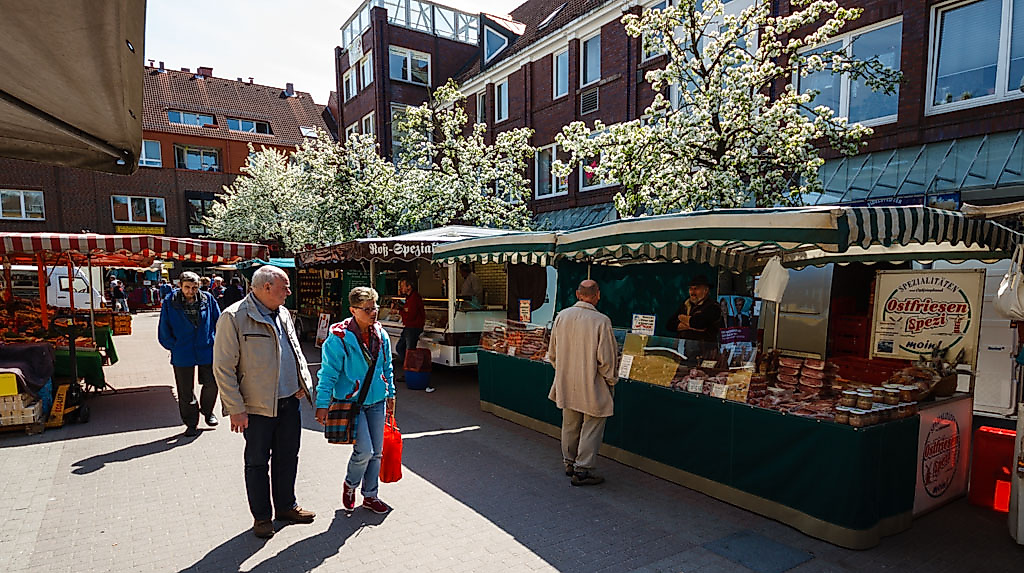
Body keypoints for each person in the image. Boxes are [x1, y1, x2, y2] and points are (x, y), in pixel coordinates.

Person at [213, 265, 315, 539]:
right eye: (285, 287)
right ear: (266, 287)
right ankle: (262, 517)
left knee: (287, 458)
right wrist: (235, 408)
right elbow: (223, 367)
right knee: (257, 463)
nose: (289, 292)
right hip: (256, 408)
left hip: (288, 402)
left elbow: (296, 351)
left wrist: (303, 384)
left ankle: (286, 507)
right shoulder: (234, 317)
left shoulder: (282, 313)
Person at [315, 287, 396, 514]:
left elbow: (387, 367)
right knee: (365, 451)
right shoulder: (338, 338)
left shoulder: (381, 334)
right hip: (352, 403)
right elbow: (328, 372)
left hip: (377, 400)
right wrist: (322, 404)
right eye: (367, 309)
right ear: (353, 310)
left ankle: (370, 496)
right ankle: (350, 484)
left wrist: (391, 393)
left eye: (375, 307)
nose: (374, 313)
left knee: (377, 452)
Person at [547, 279, 617, 486]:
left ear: (578, 294)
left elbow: (552, 353)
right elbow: (607, 359)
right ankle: (583, 468)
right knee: (592, 426)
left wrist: (563, 371)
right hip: (593, 382)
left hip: (566, 380)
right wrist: (610, 380)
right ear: (598, 295)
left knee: (569, 423)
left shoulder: (562, 316)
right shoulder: (601, 321)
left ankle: (569, 462)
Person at [158, 271, 221, 437]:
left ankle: (207, 411)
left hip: (206, 348)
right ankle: (191, 423)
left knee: (212, 383)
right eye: (187, 287)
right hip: (182, 351)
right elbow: (164, 326)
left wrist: (217, 341)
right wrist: (174, 345)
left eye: (194, 287)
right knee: (185, 391)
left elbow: (218, 320)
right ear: (180, 286)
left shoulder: (208, 299)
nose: (191, 291)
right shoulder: (170, 301)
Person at [667, 274, 724, 360]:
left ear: (705, 290)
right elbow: (670, 325)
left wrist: (682, 318)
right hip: (682, 352)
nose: (692, 292)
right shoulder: (686, 305)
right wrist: (690, 325)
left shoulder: (713, 307)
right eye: (691, 289)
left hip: (704, 353)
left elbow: (698, 323)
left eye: (696, 289)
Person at [392, 278, 425, 376]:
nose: (401, 288)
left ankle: (410, 372)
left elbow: (411, 315)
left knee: (409, 350)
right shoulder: (409, 297)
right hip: (409, 327)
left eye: (402, 286)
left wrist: (398, 311)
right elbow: (407, 311)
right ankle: (408, 370)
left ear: (409, 287)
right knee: (401, 348)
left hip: (413, 327)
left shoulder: (414, 298)